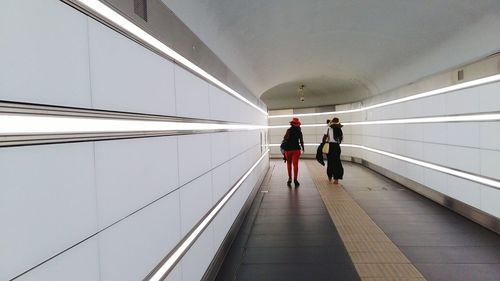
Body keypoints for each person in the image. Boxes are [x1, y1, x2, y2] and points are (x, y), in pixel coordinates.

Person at [282, 117, 304, 187]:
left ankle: (290, 178)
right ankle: (295, 179)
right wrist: (303, 148)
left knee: (289, 164)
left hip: (288, 150)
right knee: (295, 165)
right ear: (298, 124)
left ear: (292, 124)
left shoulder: (288, 130)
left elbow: (285, 138)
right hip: (296, 150)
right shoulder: (299, 131)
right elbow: (301, 141)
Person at [326, 117, 344, 184]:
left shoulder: (328, 129)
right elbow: (340, 140)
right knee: (337, 162)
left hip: (330, 146)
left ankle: (329, 176)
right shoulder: (339, 130)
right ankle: (336, 179)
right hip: (336, 147)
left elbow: (326, 138)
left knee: (330, 162)